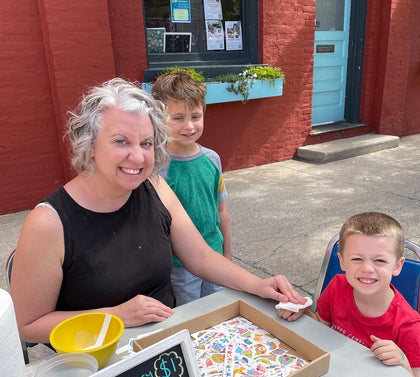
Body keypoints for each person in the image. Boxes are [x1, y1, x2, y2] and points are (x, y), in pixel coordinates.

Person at [10, 78, 306, 345]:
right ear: (89, 146)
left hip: (165, 344)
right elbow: (28, 325)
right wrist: (115, 316)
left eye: (147, 143)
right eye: (120, 141)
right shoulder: (48, 223)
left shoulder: (154, 187)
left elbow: (200, 256)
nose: (137, 156)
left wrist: (259, 284)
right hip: (93, 361)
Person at [277, 212, 420, 377]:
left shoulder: (407, 324)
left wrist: (401, 360)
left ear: (398, 265)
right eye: (357, 259)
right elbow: (321, 333)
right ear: (342, 261)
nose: (367, 269)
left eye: (380, 260)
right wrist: (303, 314)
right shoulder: (336, 288)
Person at [151, 71, 230, 305]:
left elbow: (221, 211)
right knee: (191, 317)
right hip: (180, 266)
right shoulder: (157, 168)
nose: (189, 126)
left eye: (195, 116)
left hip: (215, 255)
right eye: (177, 118)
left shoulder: (212, 159)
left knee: (218, 310)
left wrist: (227, 255)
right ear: (159, 118)